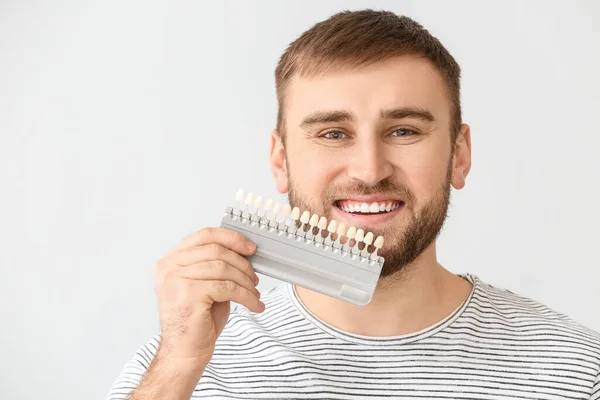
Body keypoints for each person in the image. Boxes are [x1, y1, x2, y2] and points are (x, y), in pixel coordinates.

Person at [107, 9, 600, 400]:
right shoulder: (191, 365)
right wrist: (176, 371)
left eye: (404, 130)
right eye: (332, 133)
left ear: (459, 155)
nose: (369, 169)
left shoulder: (576, 371)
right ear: (280, 161)